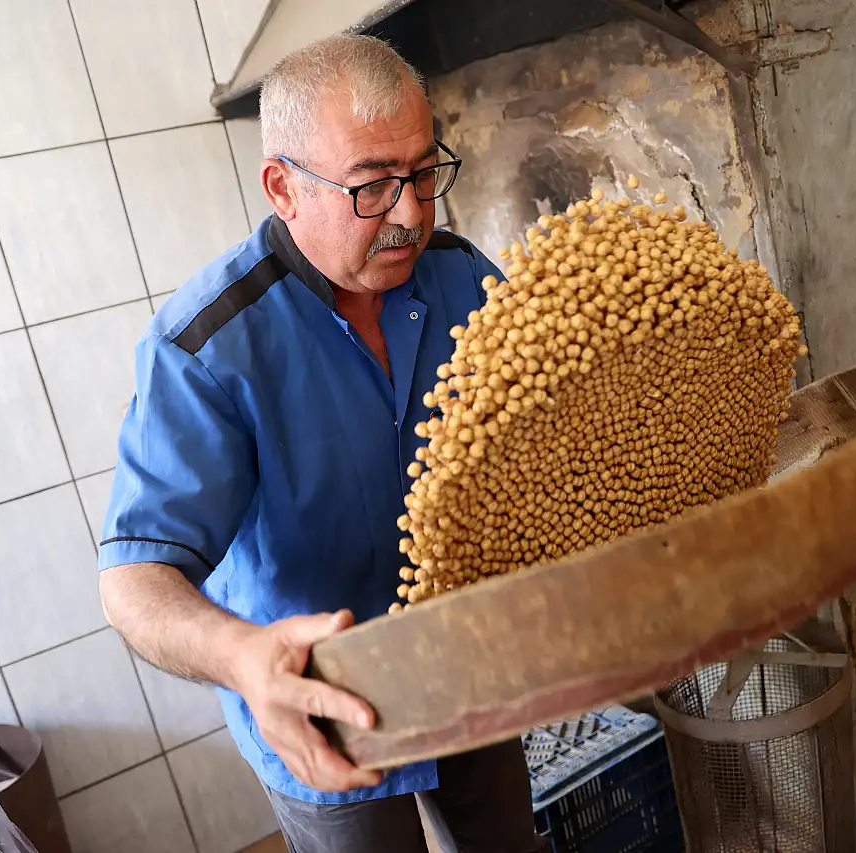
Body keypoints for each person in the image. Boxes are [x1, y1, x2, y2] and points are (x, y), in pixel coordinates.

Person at [98, 33, 546, 853]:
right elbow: (133, 579)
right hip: (320, 710)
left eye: (422, 173)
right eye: (372, 186)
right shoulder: (207, 348)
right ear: (284, 187)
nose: (410, 212)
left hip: (467, 669)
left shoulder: (462, 278)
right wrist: (242, 658)